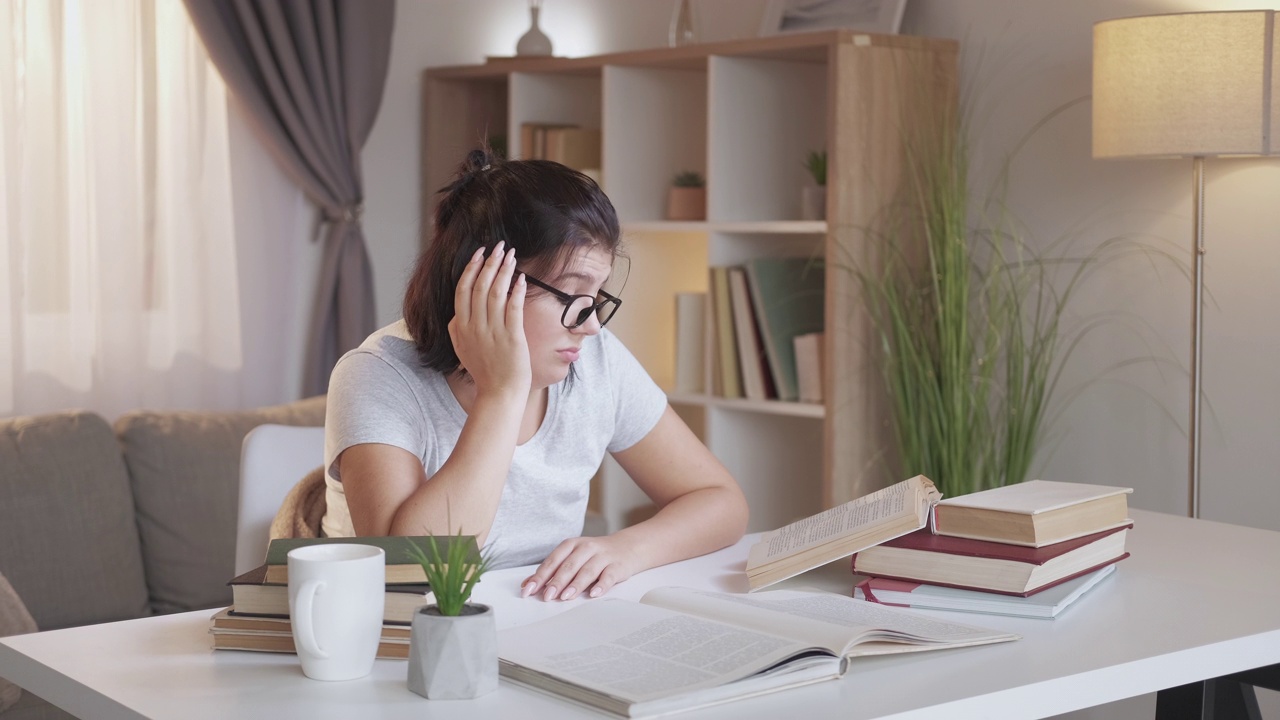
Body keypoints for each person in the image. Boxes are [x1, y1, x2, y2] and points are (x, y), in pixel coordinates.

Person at [322, 148, 748, 601]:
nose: (591, 324)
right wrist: (501, 394)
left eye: (596, 296)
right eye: (571, 295)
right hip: (408, 640)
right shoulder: (376, 375)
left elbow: (721, 500)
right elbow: (413, 574)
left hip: (540, 627)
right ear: (487, 283)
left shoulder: (597, 360)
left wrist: (627, 549)